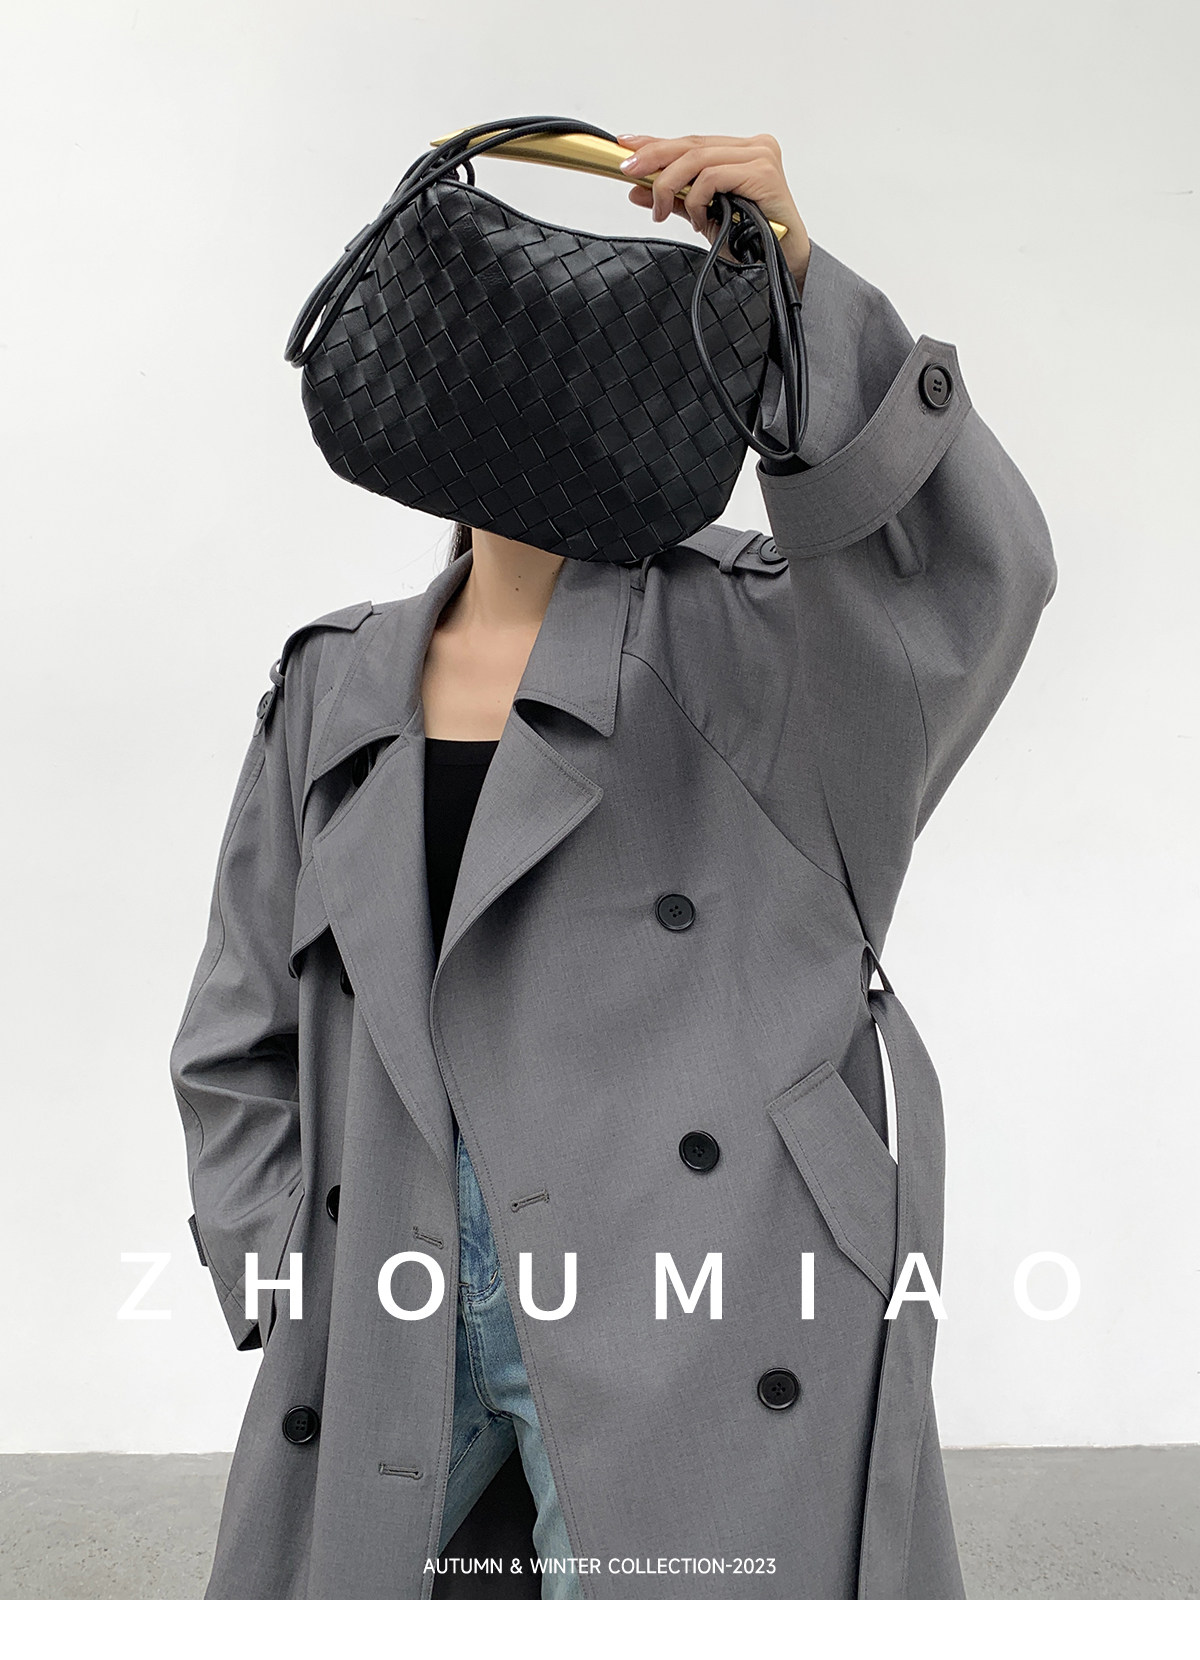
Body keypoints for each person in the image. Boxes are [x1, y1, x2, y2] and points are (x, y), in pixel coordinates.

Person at [169, 131, 1056, 1600]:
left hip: (688, 1289)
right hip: (389, 1282)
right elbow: (238, 1019)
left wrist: (804, 289)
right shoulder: (336, 679)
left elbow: (970, 582)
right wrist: (279, 1264)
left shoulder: (754, 643)